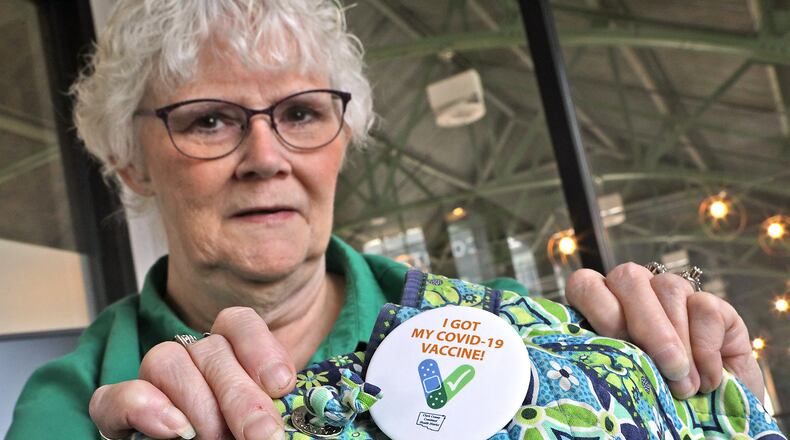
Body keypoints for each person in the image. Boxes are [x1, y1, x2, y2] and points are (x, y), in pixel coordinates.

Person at [5, 1, 774, 439]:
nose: (266, 157)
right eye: (209, 121)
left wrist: (696, 377)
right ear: (127, 162)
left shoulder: (519, 333)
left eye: (303, 112)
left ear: (343, 139)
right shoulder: (76, 412)